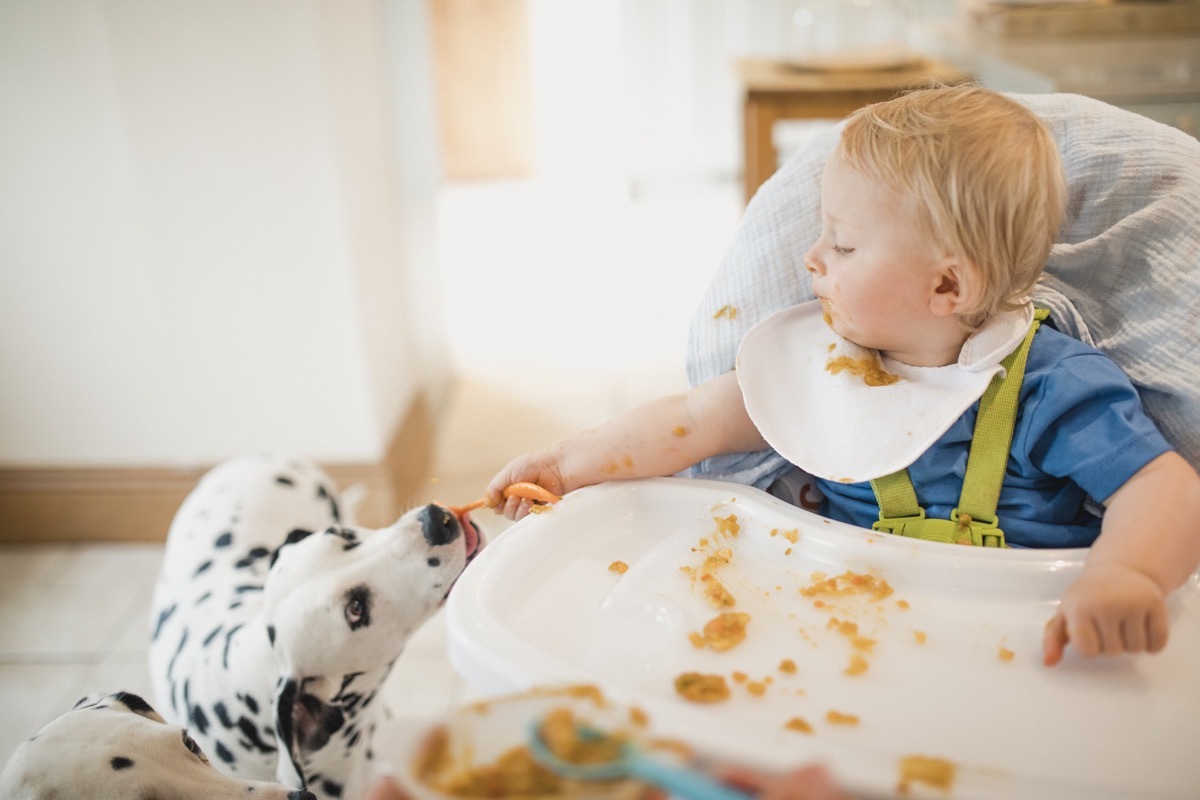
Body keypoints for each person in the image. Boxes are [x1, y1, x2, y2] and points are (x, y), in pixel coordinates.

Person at [486, 84, 1200, 667]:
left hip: (1015, 649)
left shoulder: (1052, 387)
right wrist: (567, 462)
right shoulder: (819, 364)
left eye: (845, 242)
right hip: (835, 636)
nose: (812, 259)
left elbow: (1161, 486)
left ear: (947, 288)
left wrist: (1126, 576)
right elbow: (694, 421)